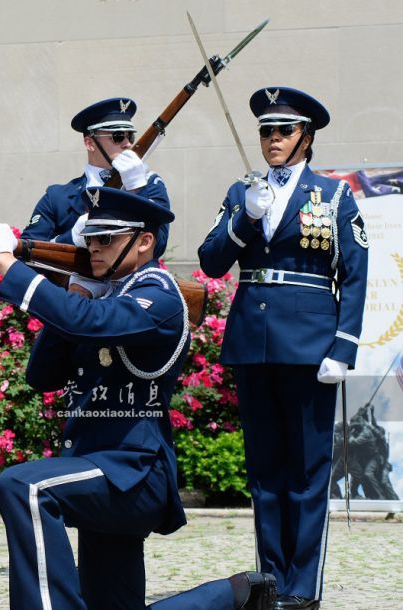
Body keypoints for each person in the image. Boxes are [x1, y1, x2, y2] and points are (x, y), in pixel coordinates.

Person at [0, 187, 276, 610]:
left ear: (144, 241)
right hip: (97, 470)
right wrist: (76, 294)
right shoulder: (109, 296)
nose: (94, 248)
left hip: (134, 473)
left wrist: (7, 263)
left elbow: (88, 323)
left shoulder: (160, 295)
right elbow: (42, 376)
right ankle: (234, 595)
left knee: (25, 486)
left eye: (106, 239)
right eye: (90, 239)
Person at [198, 87, 369, 610]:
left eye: (284, 130)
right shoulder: (241, 193)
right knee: (265, 474)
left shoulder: (333, 196)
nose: (273, 139)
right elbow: (211, 262)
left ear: (306, 137)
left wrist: (343, 346)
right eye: (266, 131)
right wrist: (246, 219)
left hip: (310, 347)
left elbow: (354, 275)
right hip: (253, 342)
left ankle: (302, 588)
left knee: (307, 473)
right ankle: (270, 583)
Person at [21, 97, 171, 258]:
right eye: (118, 136)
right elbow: (26, 252)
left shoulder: (150, 184)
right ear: (90, 143)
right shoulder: (57, 197)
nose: (127, 144)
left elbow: (158, 245)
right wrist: (72, 238)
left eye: (130, 136)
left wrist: (137, 188)